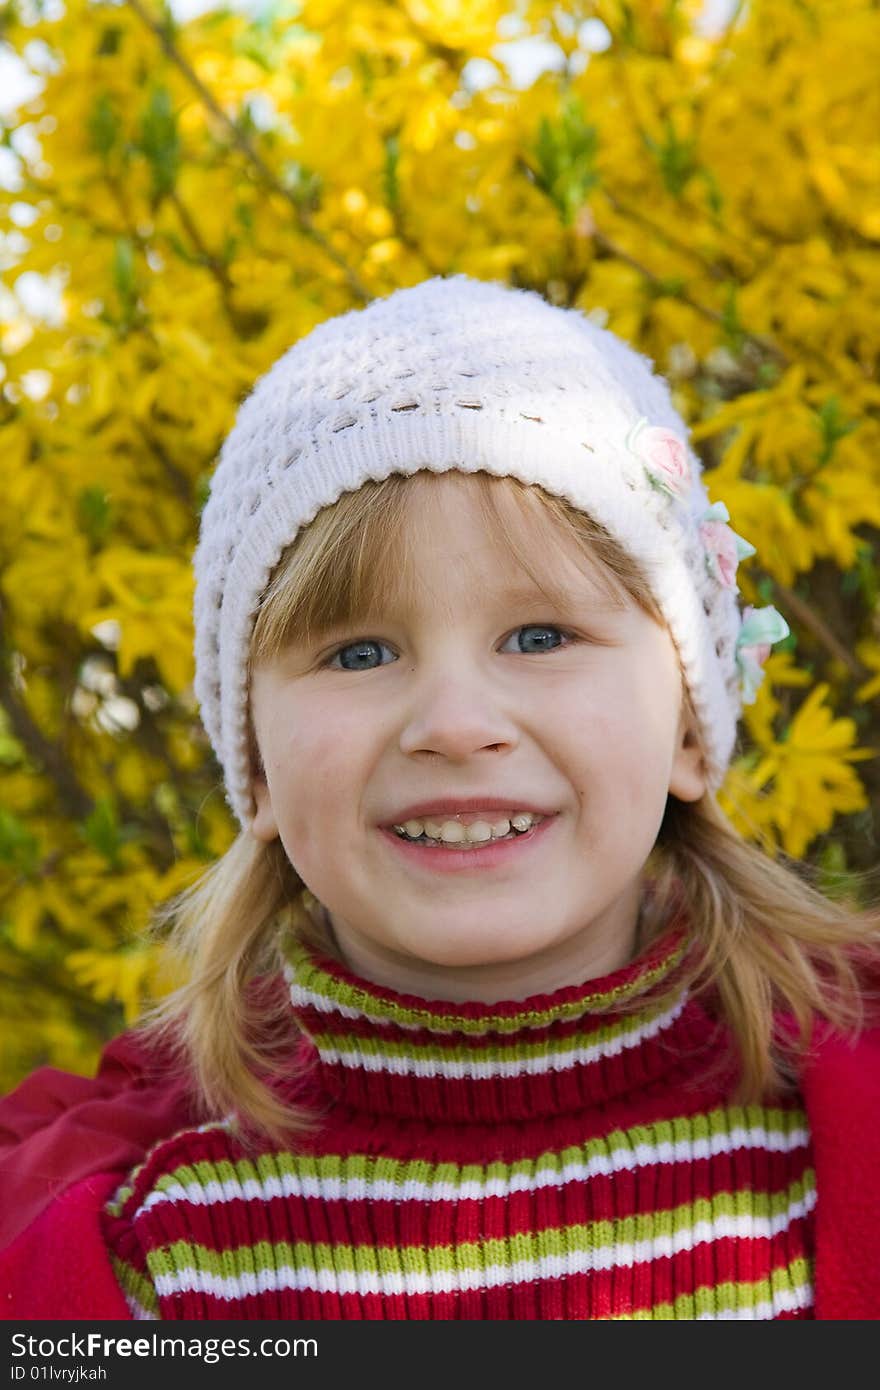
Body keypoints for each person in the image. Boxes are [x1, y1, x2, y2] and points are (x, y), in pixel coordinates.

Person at [2, 275, 879, 1321]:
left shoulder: (828, 1161)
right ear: (259, 764)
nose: (455, 722)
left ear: (689, 723)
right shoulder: (154, 1256)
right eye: (359, 651)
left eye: (540, 636)